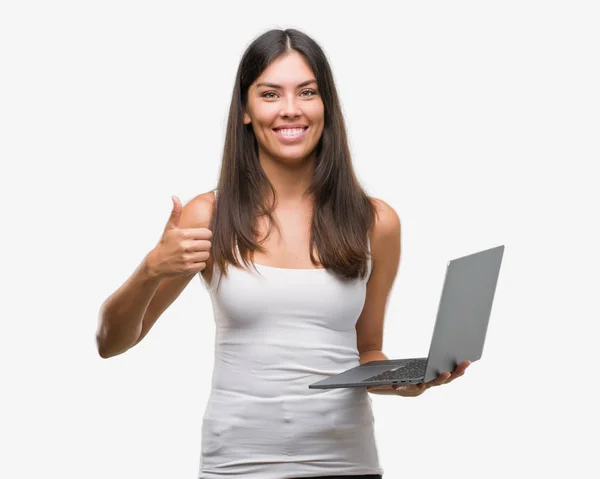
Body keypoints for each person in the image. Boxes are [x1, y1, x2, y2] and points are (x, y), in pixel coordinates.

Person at [96, 28, 470, 479]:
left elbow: (367, 351)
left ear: (325, 106)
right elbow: (111, 343)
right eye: (270, 93)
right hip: (237, 464)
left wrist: (408, 382)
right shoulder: (208, 215)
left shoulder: (376, 221)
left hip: (346, 463)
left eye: (307, 92)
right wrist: (151, 269)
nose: (290, 109)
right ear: (246, 111)